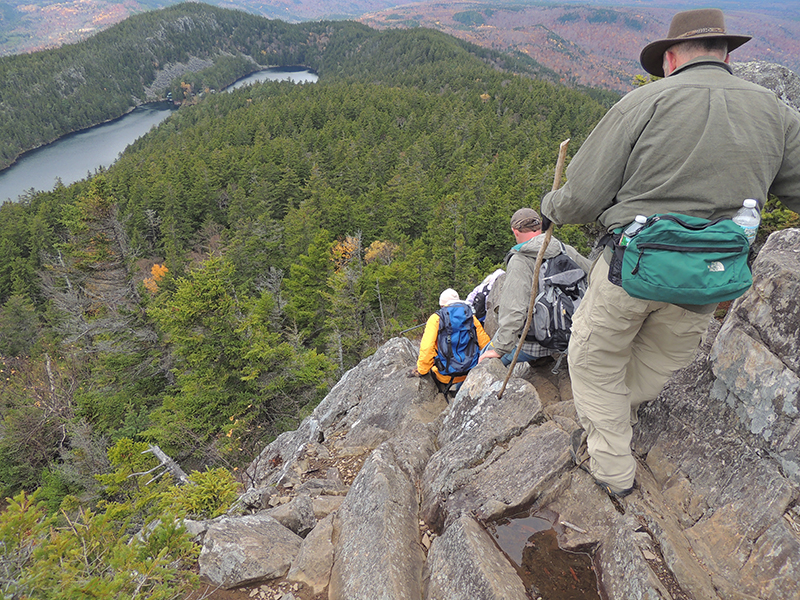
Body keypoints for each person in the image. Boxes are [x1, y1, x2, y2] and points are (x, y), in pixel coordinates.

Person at [540, 8, 800, 498]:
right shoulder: (776, 113)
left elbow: (581, 198)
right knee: (659, 361)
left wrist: (550, 204)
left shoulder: (645, 102)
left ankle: (612, 469)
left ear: (671, 57)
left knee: (594, 361)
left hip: (632, 269)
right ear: (725, 55)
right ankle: (622, 416)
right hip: (709, 281)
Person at [478, 208, 593, 367]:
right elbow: (593, 273)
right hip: (571, 333)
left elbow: (514, 309)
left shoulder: (520, 260)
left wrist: (499, 348)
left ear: (515, 231)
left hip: (536, 343)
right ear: (540, 227)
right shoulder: (564, 249)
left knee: (483, 357)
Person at [412, 288, 491, 395]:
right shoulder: (470, 317)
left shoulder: (436, 318)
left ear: (442, 305)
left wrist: (422, 370)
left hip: (445, 375)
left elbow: (427, 348)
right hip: (470, 370)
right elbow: (485, 343)